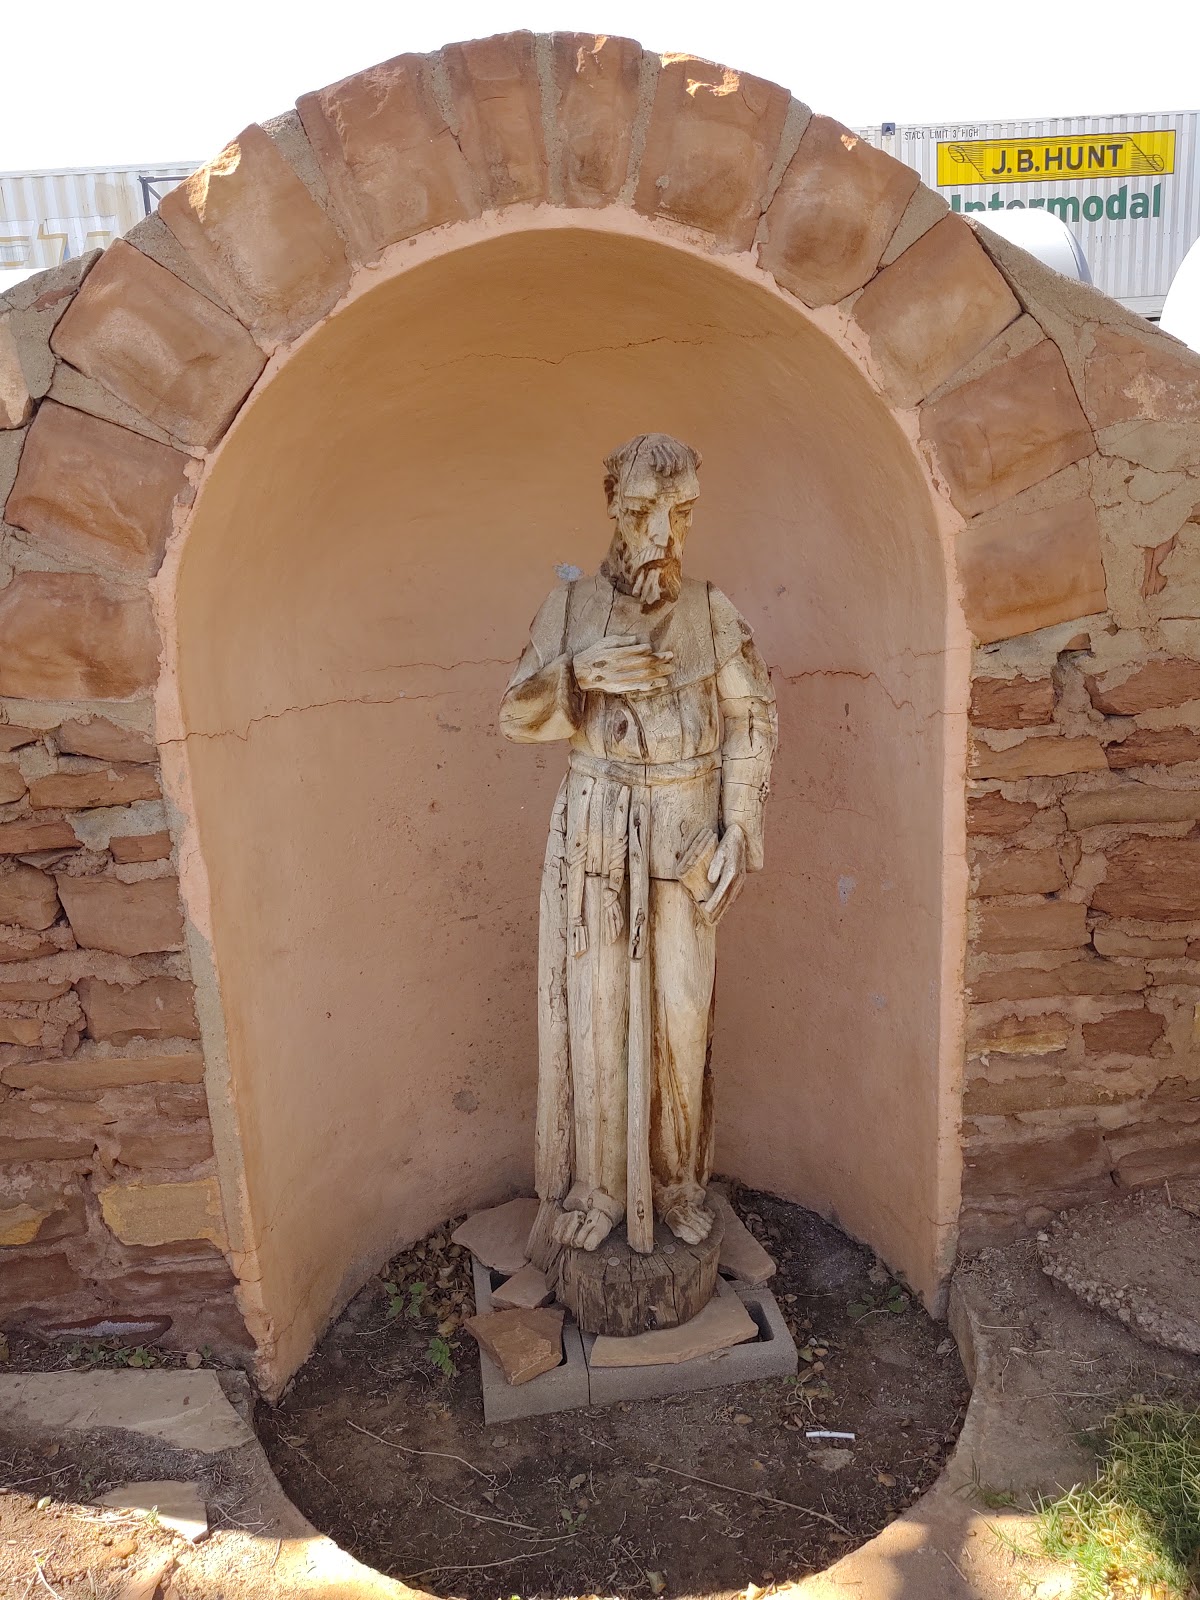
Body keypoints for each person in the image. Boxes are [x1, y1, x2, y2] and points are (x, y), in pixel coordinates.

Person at [500, 434, 777, 1265]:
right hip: (597, 824)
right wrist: (580, 674)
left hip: (688, 825)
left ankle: (677, 1184)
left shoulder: (712, 610)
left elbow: (752, 719)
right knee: (597, 1013)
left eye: (680, 514)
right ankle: (596, 1189)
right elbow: (515, 714)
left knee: (683, 1016)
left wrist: (738, 828)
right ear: (614, 510)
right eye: (643, 513)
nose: (663, 534)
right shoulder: (572, 608)